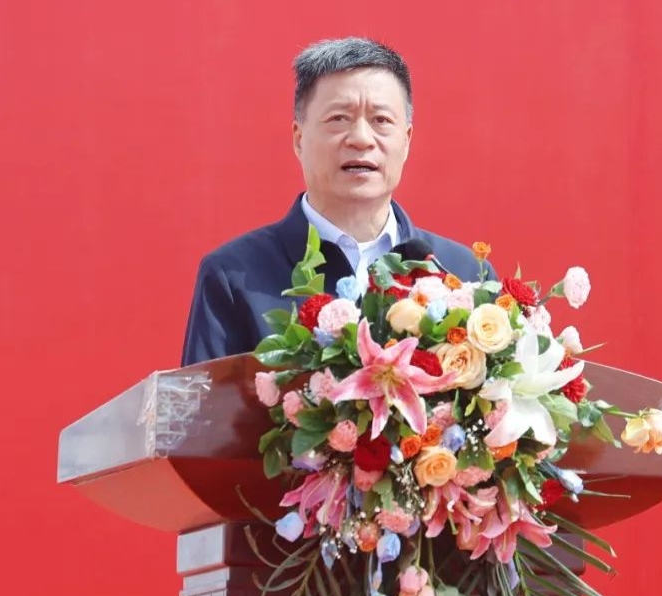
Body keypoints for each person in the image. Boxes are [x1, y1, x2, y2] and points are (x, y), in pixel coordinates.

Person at [181, 37, 492, 366]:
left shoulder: (462, 273)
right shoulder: (233, 275)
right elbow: (204, 400)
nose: (361, 138)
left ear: (407, 140)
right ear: (299, 139)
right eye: (339, 118)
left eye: (381, 120)